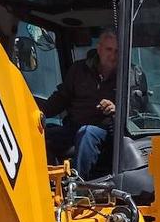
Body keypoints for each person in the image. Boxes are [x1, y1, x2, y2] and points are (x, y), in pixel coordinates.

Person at [41, 30, 120, 179]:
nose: (113, 55)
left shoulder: (130, 74)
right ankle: (48, 183)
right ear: (99, 49)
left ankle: (78, 186)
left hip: (108, 132)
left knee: (87, 133)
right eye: (109, 49)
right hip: (75, 126)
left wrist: (117, 109)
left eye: (117, 51)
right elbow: (62, 97)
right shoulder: (79, 70)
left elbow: (137, 109)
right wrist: (37, 113)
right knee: (42, 135)